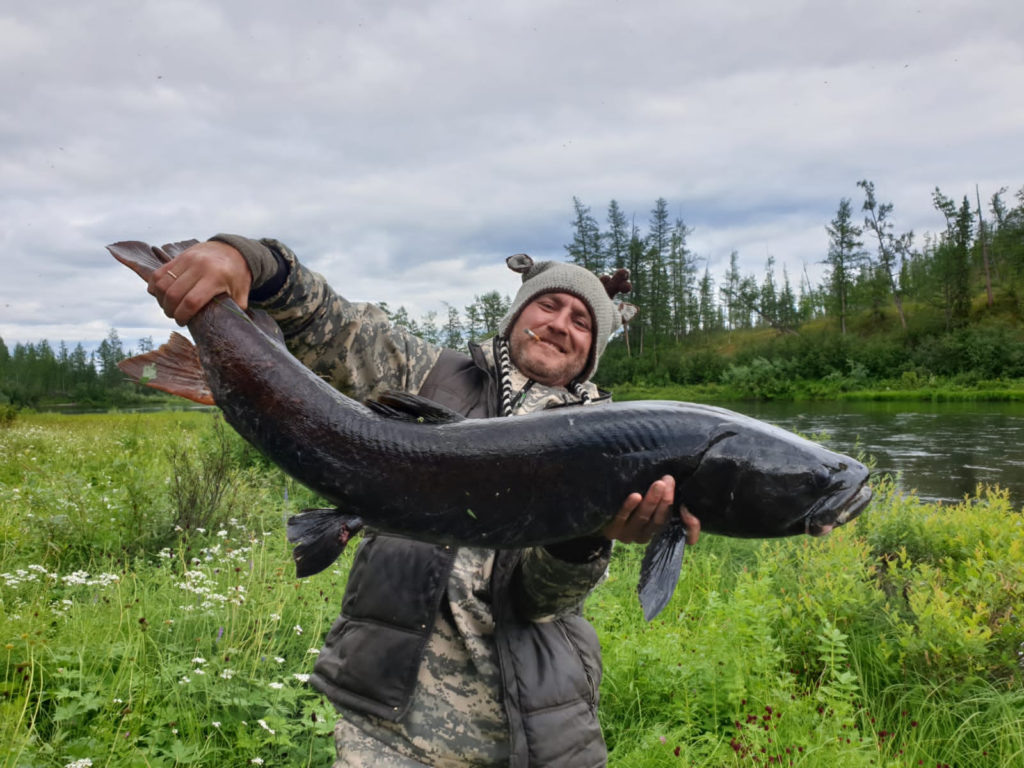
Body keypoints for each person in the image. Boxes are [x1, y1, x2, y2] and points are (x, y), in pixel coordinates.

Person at [146, 234, 701, 767]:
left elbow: (540, 601)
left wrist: (586, 539)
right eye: (549, 306)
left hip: (535, 737)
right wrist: (250, 261)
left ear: (594, 349)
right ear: (518, 315)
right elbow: (326, 323)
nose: (560, 325)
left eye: (582, 322)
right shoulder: (424, 373)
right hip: (387, 735)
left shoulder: (620, 444)